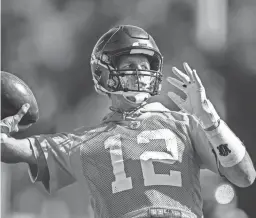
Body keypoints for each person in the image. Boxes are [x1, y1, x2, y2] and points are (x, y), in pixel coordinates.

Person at [1, 25, 255, 218]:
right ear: (104, 72)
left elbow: (244, 175)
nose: (139, 72)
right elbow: (9, 148)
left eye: (145, 65)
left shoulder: (186, 124)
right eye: (130, 64)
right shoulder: (84, 141)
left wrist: (210, 119)